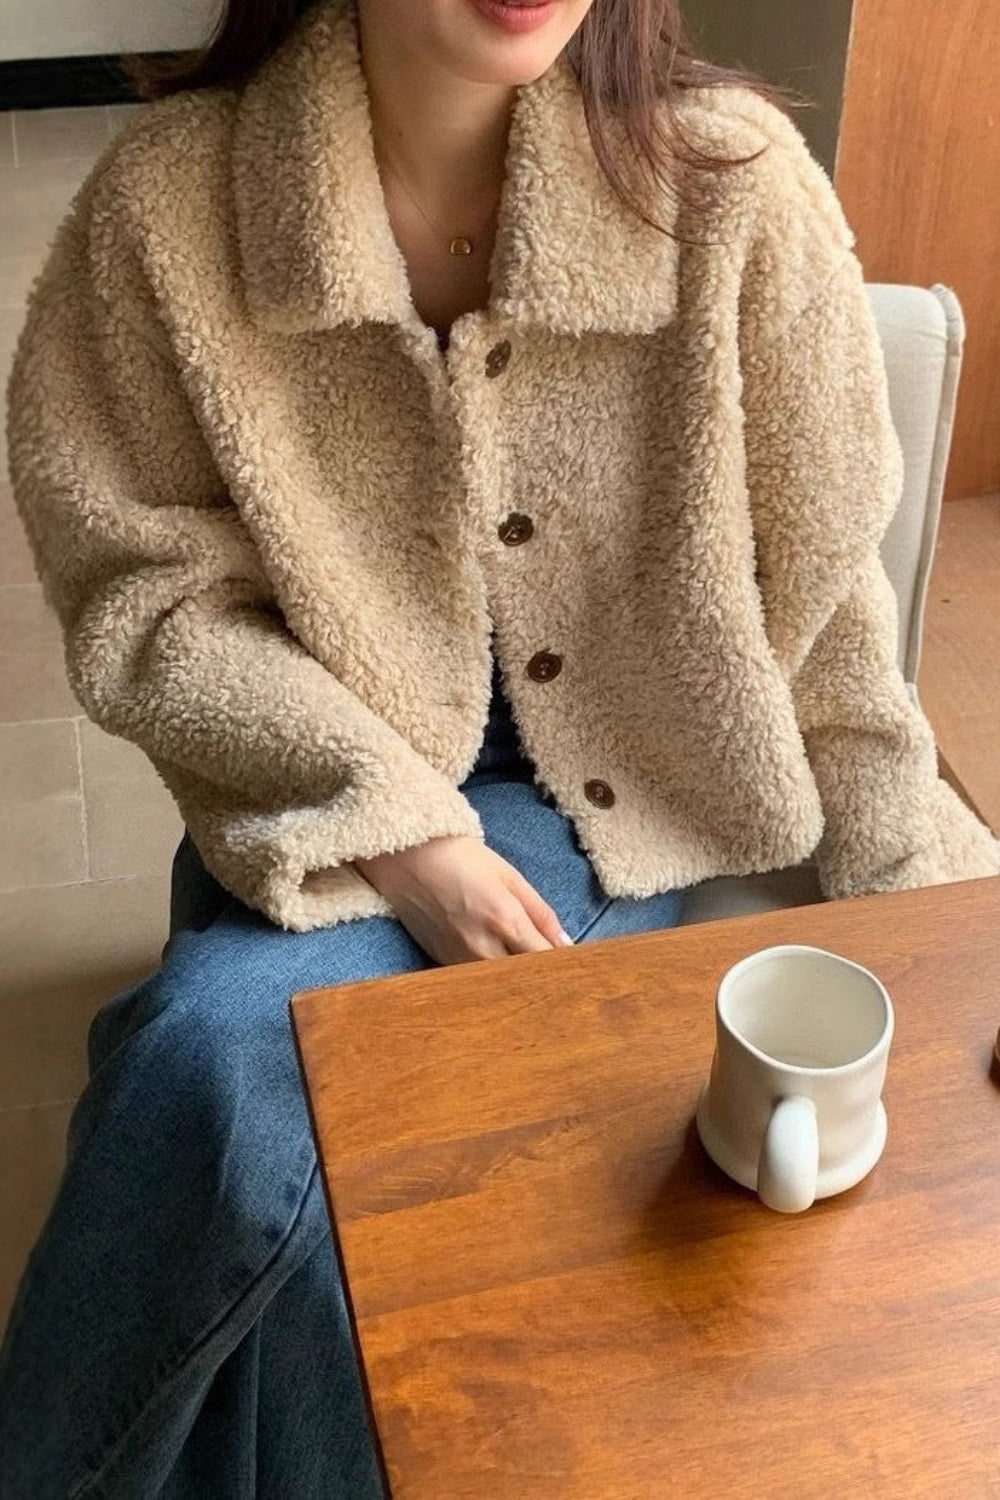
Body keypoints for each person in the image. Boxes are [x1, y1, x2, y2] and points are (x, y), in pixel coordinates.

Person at [1, 0, 997, 1493]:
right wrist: (405, 838)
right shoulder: (166, 208)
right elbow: (146, 597)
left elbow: (827, 611)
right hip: (310, 782)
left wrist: (963, 922)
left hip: (605, 804)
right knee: (274, 1181)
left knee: (214, 1065)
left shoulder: (731, 188)